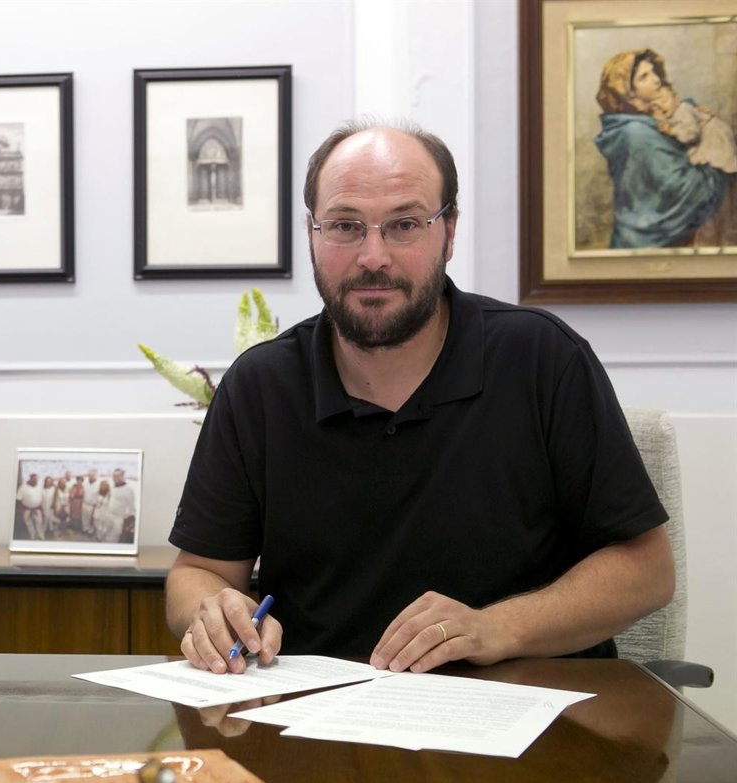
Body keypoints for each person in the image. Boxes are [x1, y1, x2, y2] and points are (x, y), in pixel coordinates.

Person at [166, 120, 674, 677]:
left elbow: (647, 571)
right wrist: (212, 610)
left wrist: (496, 628)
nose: (373, 256)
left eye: (404, 225)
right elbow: (197, 573)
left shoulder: (542, 359)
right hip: (319, 710)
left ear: (449, 232)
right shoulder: (260, 385)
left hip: (526, 705)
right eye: (345, 226)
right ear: (312, 234)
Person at [594, 49, 732, 247]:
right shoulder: (636, 133)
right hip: (649, 243)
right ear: (627, 91)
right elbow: (682, 189)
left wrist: (695, 115)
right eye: (644, 77)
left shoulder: (643, 122)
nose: (657, 80)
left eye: (654, 72)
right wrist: (717, 171)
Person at [15, 472, 45, 539]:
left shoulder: (39, 487)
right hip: (27, 509)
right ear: (30, 479)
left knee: (39, 522)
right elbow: (18, 499)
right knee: (29, 523)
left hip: (37, 509)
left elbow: (42, 497)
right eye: (34, 479)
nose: (35, 481)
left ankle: (40, 535)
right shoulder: (23, 487)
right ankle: (32, 535)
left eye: (36, 479)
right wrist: (20, 510)